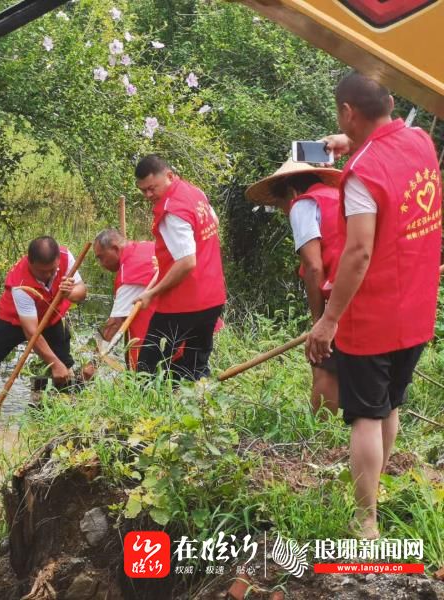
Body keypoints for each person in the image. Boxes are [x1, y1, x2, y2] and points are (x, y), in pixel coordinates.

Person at [307, 72, 442, 539]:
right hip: (417, 308)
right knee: (389, 404)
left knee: (365, 413)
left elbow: (359, 251)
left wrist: (328, 320)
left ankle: (366, 522)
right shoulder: (421, 140)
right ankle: (377, 489)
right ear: (387, 102)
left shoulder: (363, 174)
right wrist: (354, 139)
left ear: (348, 111)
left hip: (374, 315)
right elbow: (390, 142)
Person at [246, 160, 343, 416]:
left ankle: (324, 436)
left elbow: (313, 267)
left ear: (290, 193)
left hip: (338, 294)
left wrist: (319, 319)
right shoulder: (338, 196)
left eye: (280, 206)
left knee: (322, 361)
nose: (283, 212)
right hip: (364, 288)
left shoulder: (303, 205)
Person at [133, 155, 227, 379]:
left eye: (152, 188)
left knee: (147, 369)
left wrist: (152, 293)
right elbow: (214, 222)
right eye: (143, 190)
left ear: (169, 176)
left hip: (183, 303)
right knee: (195, 365)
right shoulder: (194, 192)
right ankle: (195, 405)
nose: (148, 195)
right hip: (213, 297)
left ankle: (145, 411)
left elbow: (186, 262)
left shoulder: (171, 211)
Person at [0, 236, 87, 412]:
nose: (48, 275)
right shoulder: (19, 282)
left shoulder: (65, 256)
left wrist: (70, 293)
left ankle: (54, 414)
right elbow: (32, 332)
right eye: (42, 271)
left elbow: (82, 292)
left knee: (65, 365)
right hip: (13, 319)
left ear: (57, 260)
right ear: (29, 262)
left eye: (52, 270)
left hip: (51, 317)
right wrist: (54, 364)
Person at [93, 229, 157, 369]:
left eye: (101, 257)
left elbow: (115, 324)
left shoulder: (129, 273)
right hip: (188, 329)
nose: (101, 264)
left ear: (115, 248)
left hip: (154, 346)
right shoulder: (147, 246)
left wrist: (92, 365)